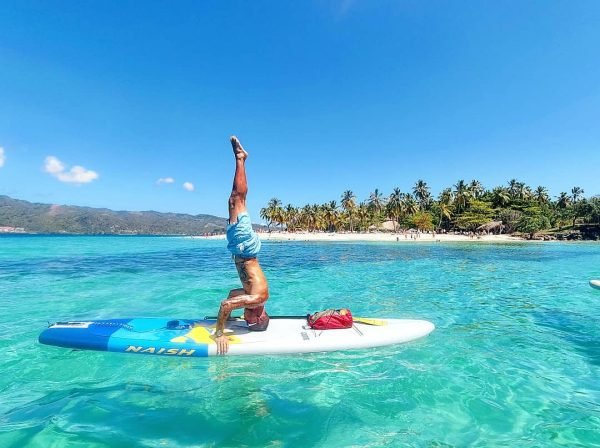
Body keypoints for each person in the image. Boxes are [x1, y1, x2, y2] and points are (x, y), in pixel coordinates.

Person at [213, 136, 270, 355]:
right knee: (237, 199)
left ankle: (241, 159)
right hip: (245, 249)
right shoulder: (257, 298)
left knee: (234, 200)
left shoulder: (251, 296)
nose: (244, 319)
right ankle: (241, 158)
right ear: (259, 316)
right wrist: (220, 332)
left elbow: (230, 296)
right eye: (248, 321)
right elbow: (227, 305)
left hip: (242, 249)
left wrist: (225, 319)